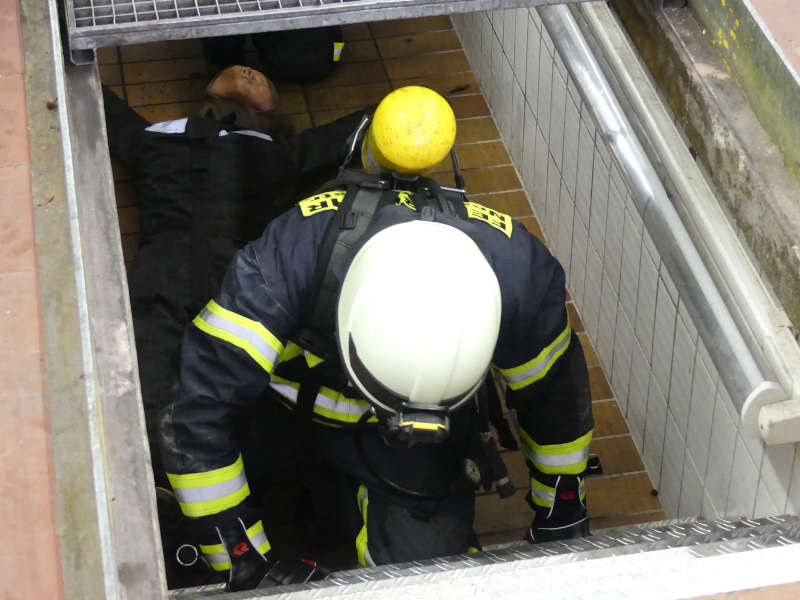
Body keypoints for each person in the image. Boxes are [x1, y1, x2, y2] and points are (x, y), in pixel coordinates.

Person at [159, 85, 595, 592]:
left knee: (430, 577)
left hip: (410, 447)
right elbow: (198, 413)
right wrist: (242, 559)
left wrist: (562, 505)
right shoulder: (290, 257)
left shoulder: (519, 273)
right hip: (279, 415)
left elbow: (555, 400)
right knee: (169, 471)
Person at [103, 66, 370, 587]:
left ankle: (230, 549)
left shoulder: (278, 152)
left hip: (230, 290)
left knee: (228, 415)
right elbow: (87, 99)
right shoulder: (163, 139)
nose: (249, 71)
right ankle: (193, 546)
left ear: (271, 110)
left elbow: (379, 126)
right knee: (158, 415)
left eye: (261, 76)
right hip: (190, 287)